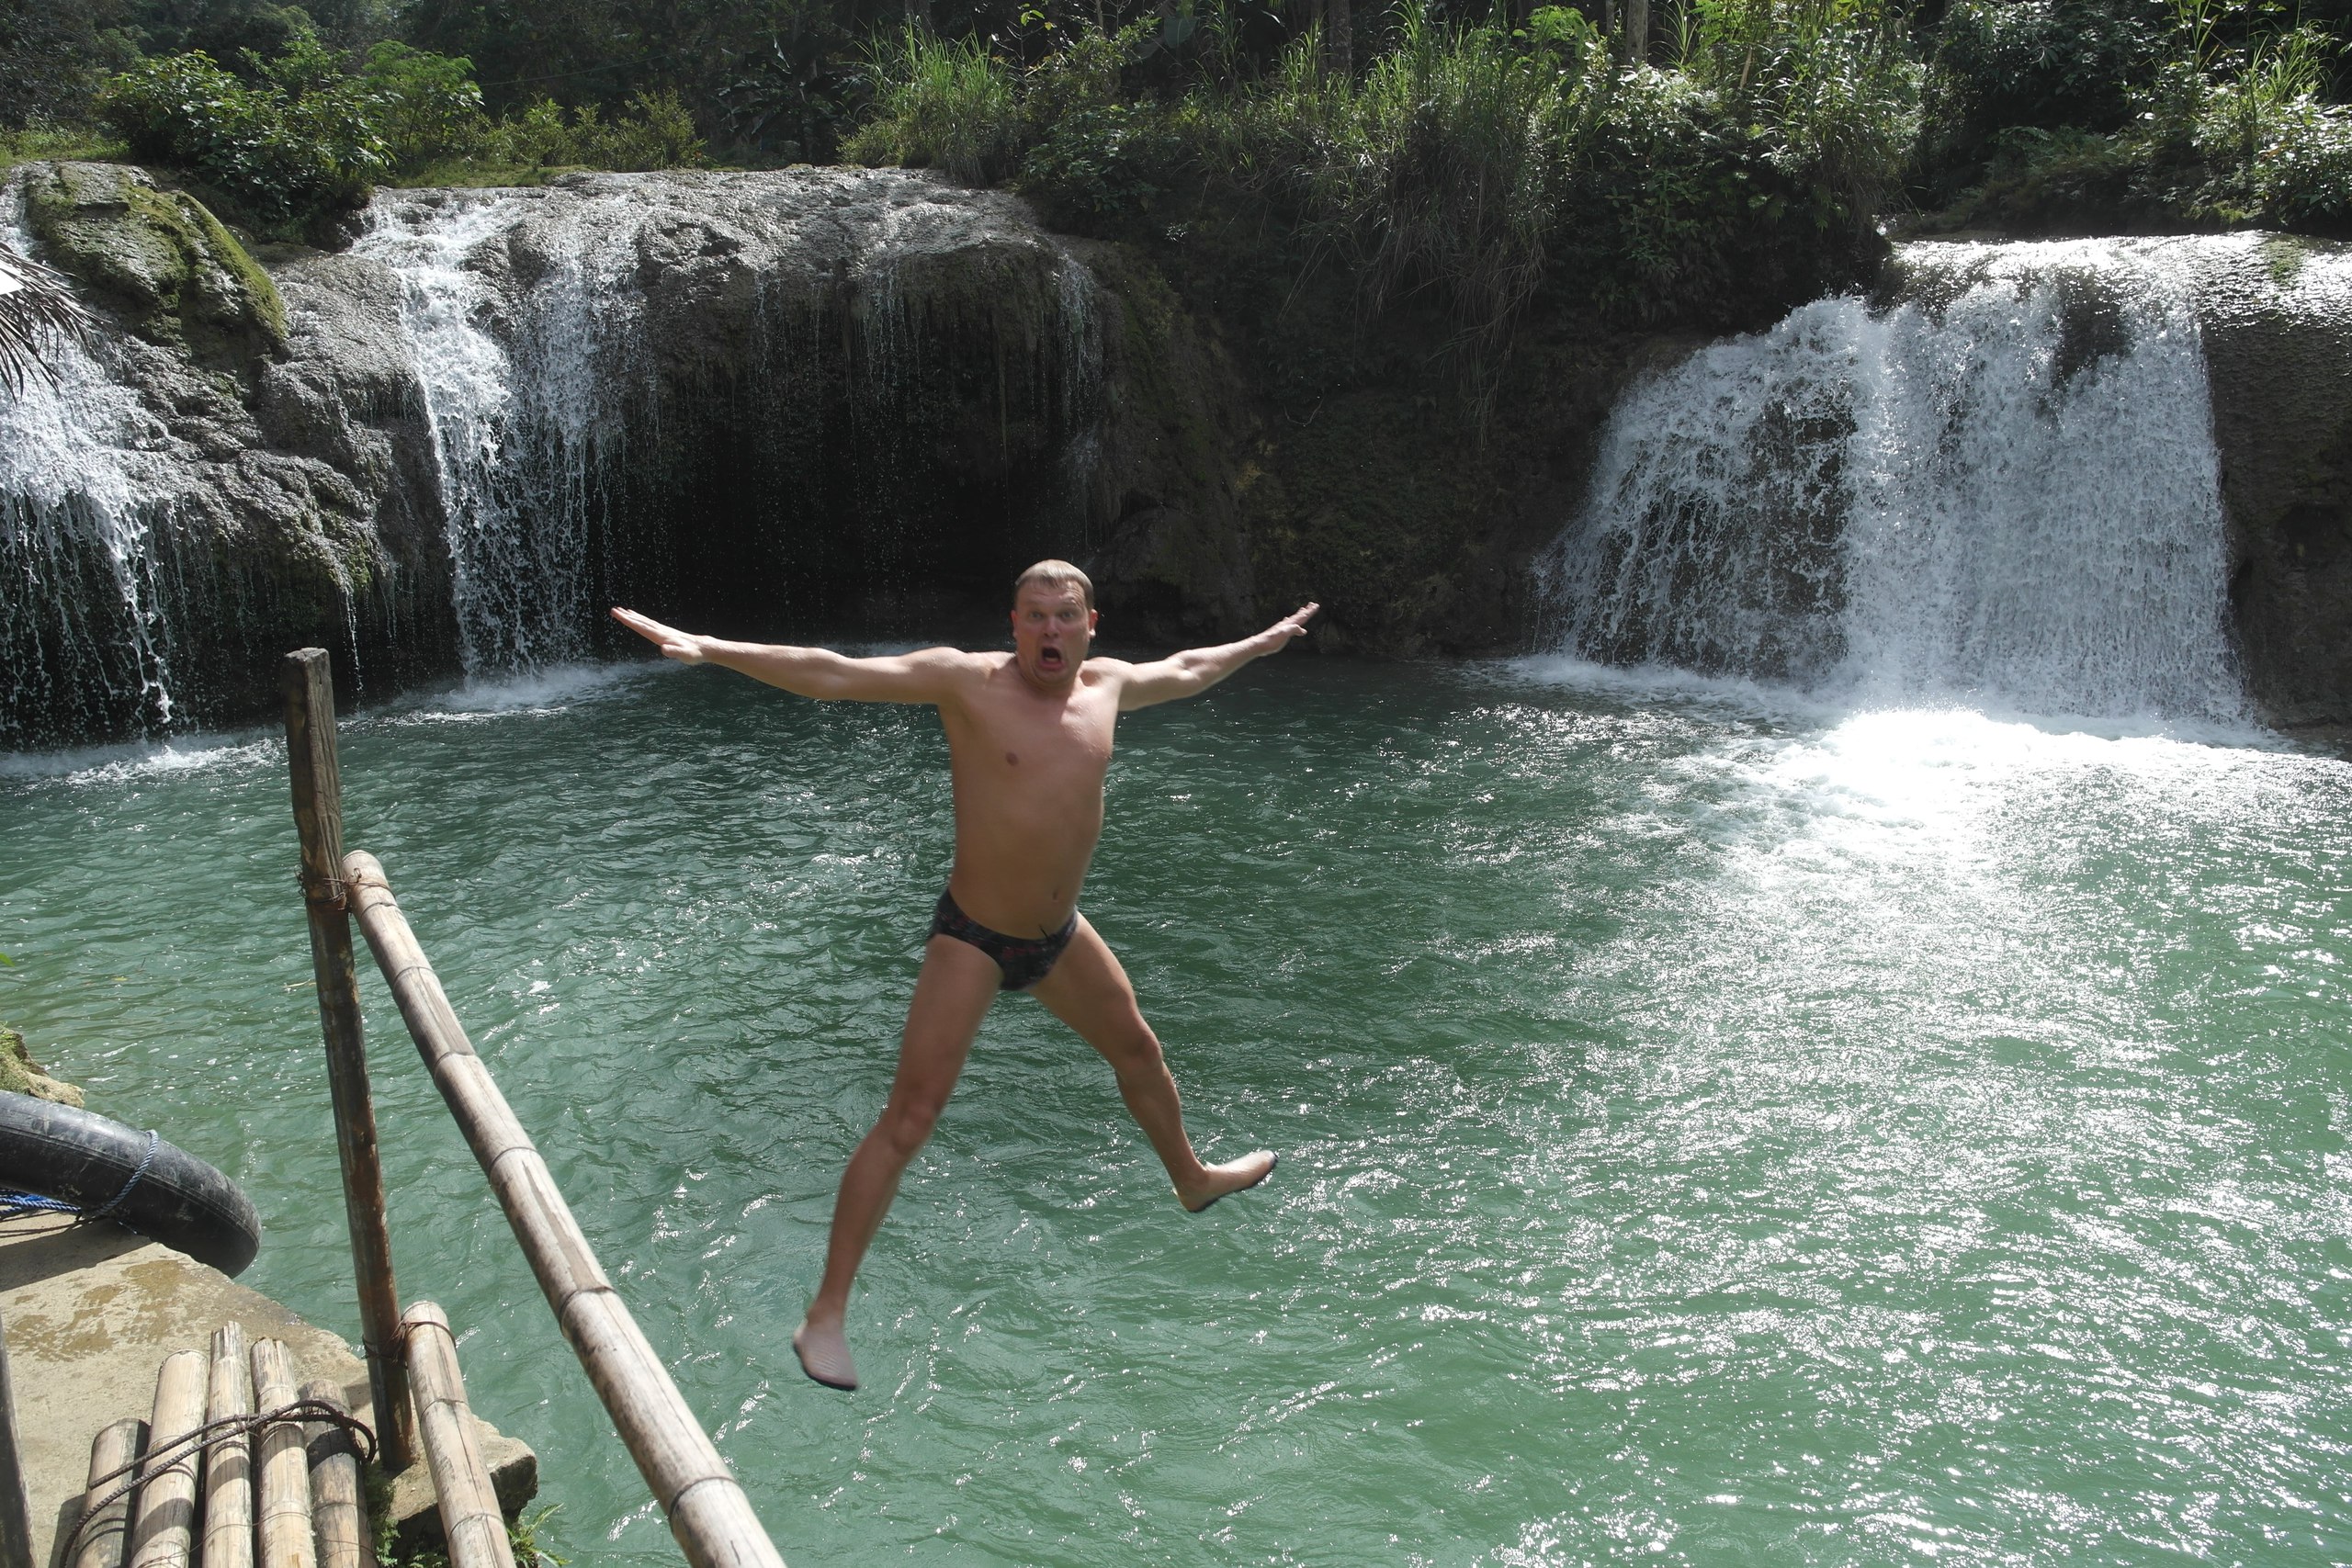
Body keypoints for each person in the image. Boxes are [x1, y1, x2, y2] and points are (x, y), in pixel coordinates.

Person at [611, 563, 1320, 1392]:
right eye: (1034, 618)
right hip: (975, 938)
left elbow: (1192, 668)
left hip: (1058, 935)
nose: (1050, 632)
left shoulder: (1110, 685)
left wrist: (1261, 642)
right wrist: (713, 648)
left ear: (1093, 622)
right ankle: (825, 1315)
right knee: (910, 1118)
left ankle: (1192, 1179)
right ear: (1012, 624)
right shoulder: (964, 680)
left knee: (1139, 1050)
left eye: (1064, 617)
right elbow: (834, 673)